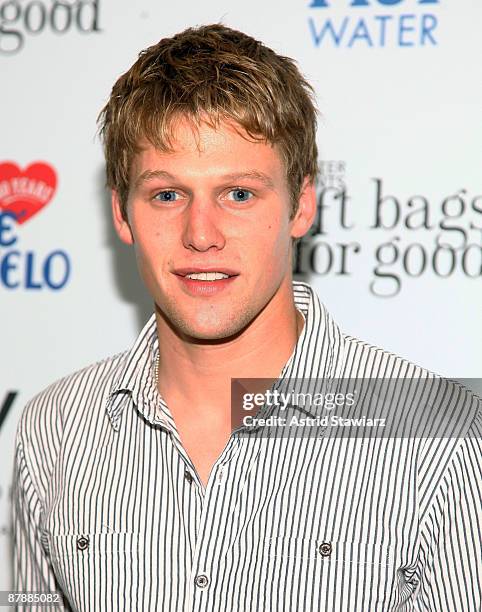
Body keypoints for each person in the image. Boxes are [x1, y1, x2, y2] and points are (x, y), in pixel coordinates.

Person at [13, 23, 481, 612]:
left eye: (238, 194)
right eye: (166, 194)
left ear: (302, 204)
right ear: (120, 212)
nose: (200, 235)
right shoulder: (53, 430)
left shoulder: (438, 436)